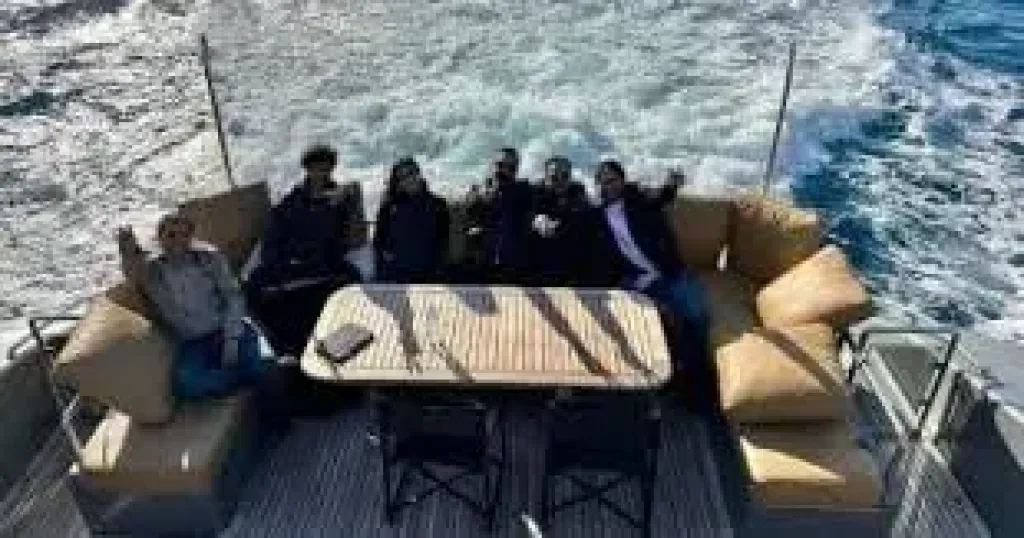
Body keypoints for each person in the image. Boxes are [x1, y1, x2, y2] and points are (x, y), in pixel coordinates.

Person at [116, 213, 291, 407]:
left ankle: (273, 407)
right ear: (160, 239)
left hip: (231, 328)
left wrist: (231, 340)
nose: (178, 240)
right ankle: (247, 377)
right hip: (194, 342)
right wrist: (127, 249)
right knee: (188, 383)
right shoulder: (151, 271)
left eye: (184, 234)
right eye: (171, 235)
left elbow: (234, 297)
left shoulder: (210, 258)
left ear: (191, 236)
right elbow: (132, 274)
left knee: (265, 364)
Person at [246, 145, 366, 354]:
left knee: (354, 281)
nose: (321, 174)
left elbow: (355, 239)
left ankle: (337, 342)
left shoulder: (341, 199)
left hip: (324, 263)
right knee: (253, 286)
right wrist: (283, 261)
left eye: (326, 169)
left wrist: (353, 198)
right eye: (316, 168)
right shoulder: (290, 202)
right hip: (291, 263)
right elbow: (272, 237)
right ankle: (283, 348)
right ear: (307, 170)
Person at [590, 160, 707, 367]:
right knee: (627, 322)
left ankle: (695, 365)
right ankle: (644, 364)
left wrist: (672, 185)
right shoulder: (596, 214)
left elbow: (660, 197)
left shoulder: (638, 198)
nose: (609, 186)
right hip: (635, 279)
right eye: (603, 182)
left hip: (669, 272)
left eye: (613, 180)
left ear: (622, 181)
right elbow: (571, 222)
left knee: (697, 315)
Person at [528, 156, 603, 286]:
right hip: (539, 262)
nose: (560, 181)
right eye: (554, 178)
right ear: (546, 177)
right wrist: (536, 219)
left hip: (570, 262)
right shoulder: (534, 193)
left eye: (564, 176)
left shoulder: (577, 193)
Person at [464, 148, 536, 283]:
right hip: (482, 265)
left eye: (511, 168)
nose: (504, 171)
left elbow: (549, 189)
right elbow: (468, 217)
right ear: (491, 165)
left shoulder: (525, 191)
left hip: (514, 267)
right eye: (500, 165)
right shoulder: (477, 191)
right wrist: (483, 197)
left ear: (516, 170)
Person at [373, 157, 450, 283]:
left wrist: (437, 268)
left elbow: (443, 241)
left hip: (427, 271)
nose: (409, 179)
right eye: (402, 177)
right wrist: (385, 254)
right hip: (394, 271)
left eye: (411, 173)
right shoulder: (388, 207)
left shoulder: (438, 204)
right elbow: (378, 240)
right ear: (398, 183)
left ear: (419, 174)